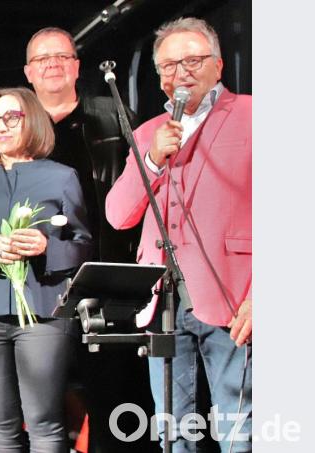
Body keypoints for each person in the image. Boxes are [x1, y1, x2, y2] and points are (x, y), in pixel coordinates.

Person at [106, 17, 252, 452]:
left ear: (219, 65)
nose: (180, 73)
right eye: (169, 66)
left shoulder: (257, 116)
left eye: (192, 60)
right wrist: (150, 160)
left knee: (238, 431)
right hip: (164, 301)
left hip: (233, 297)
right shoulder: (150, 132)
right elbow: (118, 215)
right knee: (172, 433)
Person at [23, 27, 153, 452]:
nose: (53, 64)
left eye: (61, 56)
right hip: (36, 286)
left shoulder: (112, 114)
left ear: (77, 66)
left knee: (116, 400)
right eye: (42, 59)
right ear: (28, 72)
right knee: (40, 407)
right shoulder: (15, 125)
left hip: (105, 277)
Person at [0, 87, 92, 452]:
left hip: (43, 311)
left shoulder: (61, 177)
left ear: (33, 122)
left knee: (43, 420)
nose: (1, 126)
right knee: (0, 422)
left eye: (11, 118)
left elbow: (83, 245)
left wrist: (47, 247)